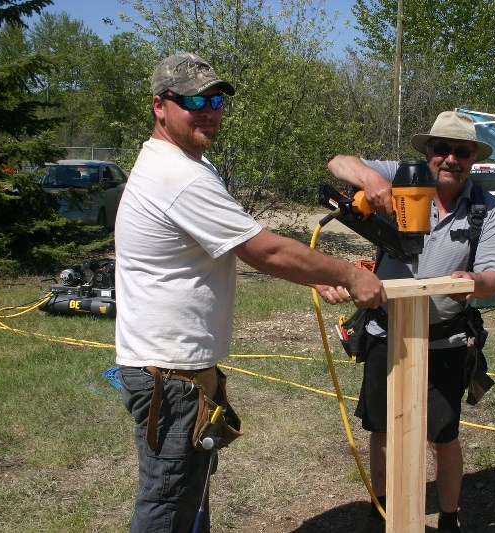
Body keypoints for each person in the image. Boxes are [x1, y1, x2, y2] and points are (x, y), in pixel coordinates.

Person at [114, 52, 386, 533]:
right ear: (160, 106)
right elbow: (266, 251)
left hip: (181, 369)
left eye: (215, 99)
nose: (209, 109)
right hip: (170, 375)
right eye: (193, 99)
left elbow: (231, 244)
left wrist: (315, 275)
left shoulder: (189, 166)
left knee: (186, 495)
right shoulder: (175, 175)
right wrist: (348, 273)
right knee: (166, 503)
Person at [319, 111, 495, 533]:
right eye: (442, 149)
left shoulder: (484, 208)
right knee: (384, 431)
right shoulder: (404, 175)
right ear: (428, 152)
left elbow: (493, 278)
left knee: (443, 435)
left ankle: (449, 519)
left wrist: (474, 282)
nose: (450, 158)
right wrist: (371, 181)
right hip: (386, 333)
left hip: (446, 338)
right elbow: (338, 162)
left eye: (462, 151)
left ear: (473, 158)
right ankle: (383, 514)